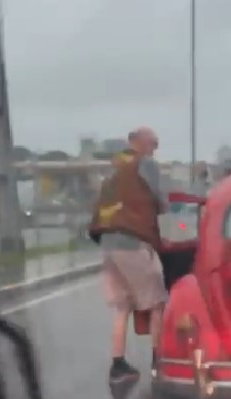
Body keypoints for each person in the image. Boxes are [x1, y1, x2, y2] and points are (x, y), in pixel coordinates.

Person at [88, 127, 168, 384]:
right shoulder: (145, 165)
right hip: (132, 240)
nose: (154, 148)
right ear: (138, 142)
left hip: (108, 240)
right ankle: (160, 360)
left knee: (122, 306)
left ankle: (118, 365)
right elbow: (161, 200)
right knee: (157, 302)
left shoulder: (114, 169)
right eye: (153, 143)